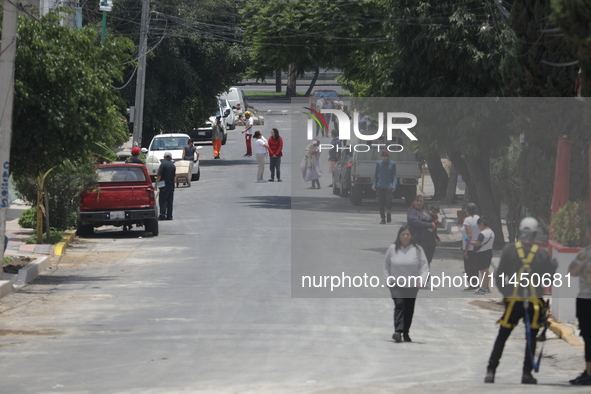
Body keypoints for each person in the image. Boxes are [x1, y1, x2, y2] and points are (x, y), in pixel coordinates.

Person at [484, 217, 556, 385]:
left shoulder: (510, 250)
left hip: (513, 301)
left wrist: (506, 294)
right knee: (530, 338)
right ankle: (526, 373)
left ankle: (491, 371)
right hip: (534, 303)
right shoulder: (541, 254)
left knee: (503, 336)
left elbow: (500, 275)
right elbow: (547, 280)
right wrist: (553, 267)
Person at [384, 226, 430, 343]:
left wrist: (422, 280)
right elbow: (386, 266)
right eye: (403, 234)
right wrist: (388, 280)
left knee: (409, 309)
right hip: (396, 283)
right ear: (399, 236)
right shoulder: (392, 248)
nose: (405, 237)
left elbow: (424, 266)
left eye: (407, 234)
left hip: (412, 284)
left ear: (411, 236)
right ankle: (398, 331)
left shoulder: (417, 249)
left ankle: (406, 332)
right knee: (399, 304)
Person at [568, 220, 591, 385]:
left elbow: (572, 271)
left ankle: (588, 373)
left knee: (588, 337)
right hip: (585, 299)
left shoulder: (585, 253)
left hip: (586, 300)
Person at [407, 195, 437, 265]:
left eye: (421, 201)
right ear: (414, 202)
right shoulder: (412, 212)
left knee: (427, 261)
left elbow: (434, 220)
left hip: (430, 241)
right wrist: (430, 225)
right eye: (417, 201)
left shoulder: (426, 211)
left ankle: (426, 275)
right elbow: (417, 222)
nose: (419, 203)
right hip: (418, 240)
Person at [471, 216, 495, 295]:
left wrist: (472, 242)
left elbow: (478, 243)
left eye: (479, 225)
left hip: (482, 253)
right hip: (489, 252)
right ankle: (486, 287)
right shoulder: (491, 232)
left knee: (483, 271)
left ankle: (483, 288)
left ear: (481, 224)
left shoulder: (482, 233)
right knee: (486, 270)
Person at [372, 150, 397, 225]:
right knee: (381, 203)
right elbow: (376, 174)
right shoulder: (379, 163)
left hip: (389, 186)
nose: (384, 158)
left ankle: (388, 212)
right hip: (380, 186)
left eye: (385, 156)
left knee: (388, 202)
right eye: (383, 156)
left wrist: (394, 185)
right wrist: (374, 184)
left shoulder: (392, 164)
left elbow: (395, 176)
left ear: (388, 156)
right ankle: (383, 218)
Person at [462, 203, 480, 291]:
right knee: (475, 266)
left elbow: (469, 235)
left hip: (469, 246)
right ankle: (476, 283)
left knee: (468, 267)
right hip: (478, 245)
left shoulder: (467, 220)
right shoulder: (479, 218)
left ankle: (472, 284)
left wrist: (466, 250)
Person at [155, 152, 176, 220]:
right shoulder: (173, 166)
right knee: (170, 201)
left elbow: (159, 175)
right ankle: (169, 216)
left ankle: (162, 215)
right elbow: (174, 177)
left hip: (164, 186)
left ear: (164, 157)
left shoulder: (163, 165)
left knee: (163, 201)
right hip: (171, 186)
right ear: (171, 158)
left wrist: (156, 184)